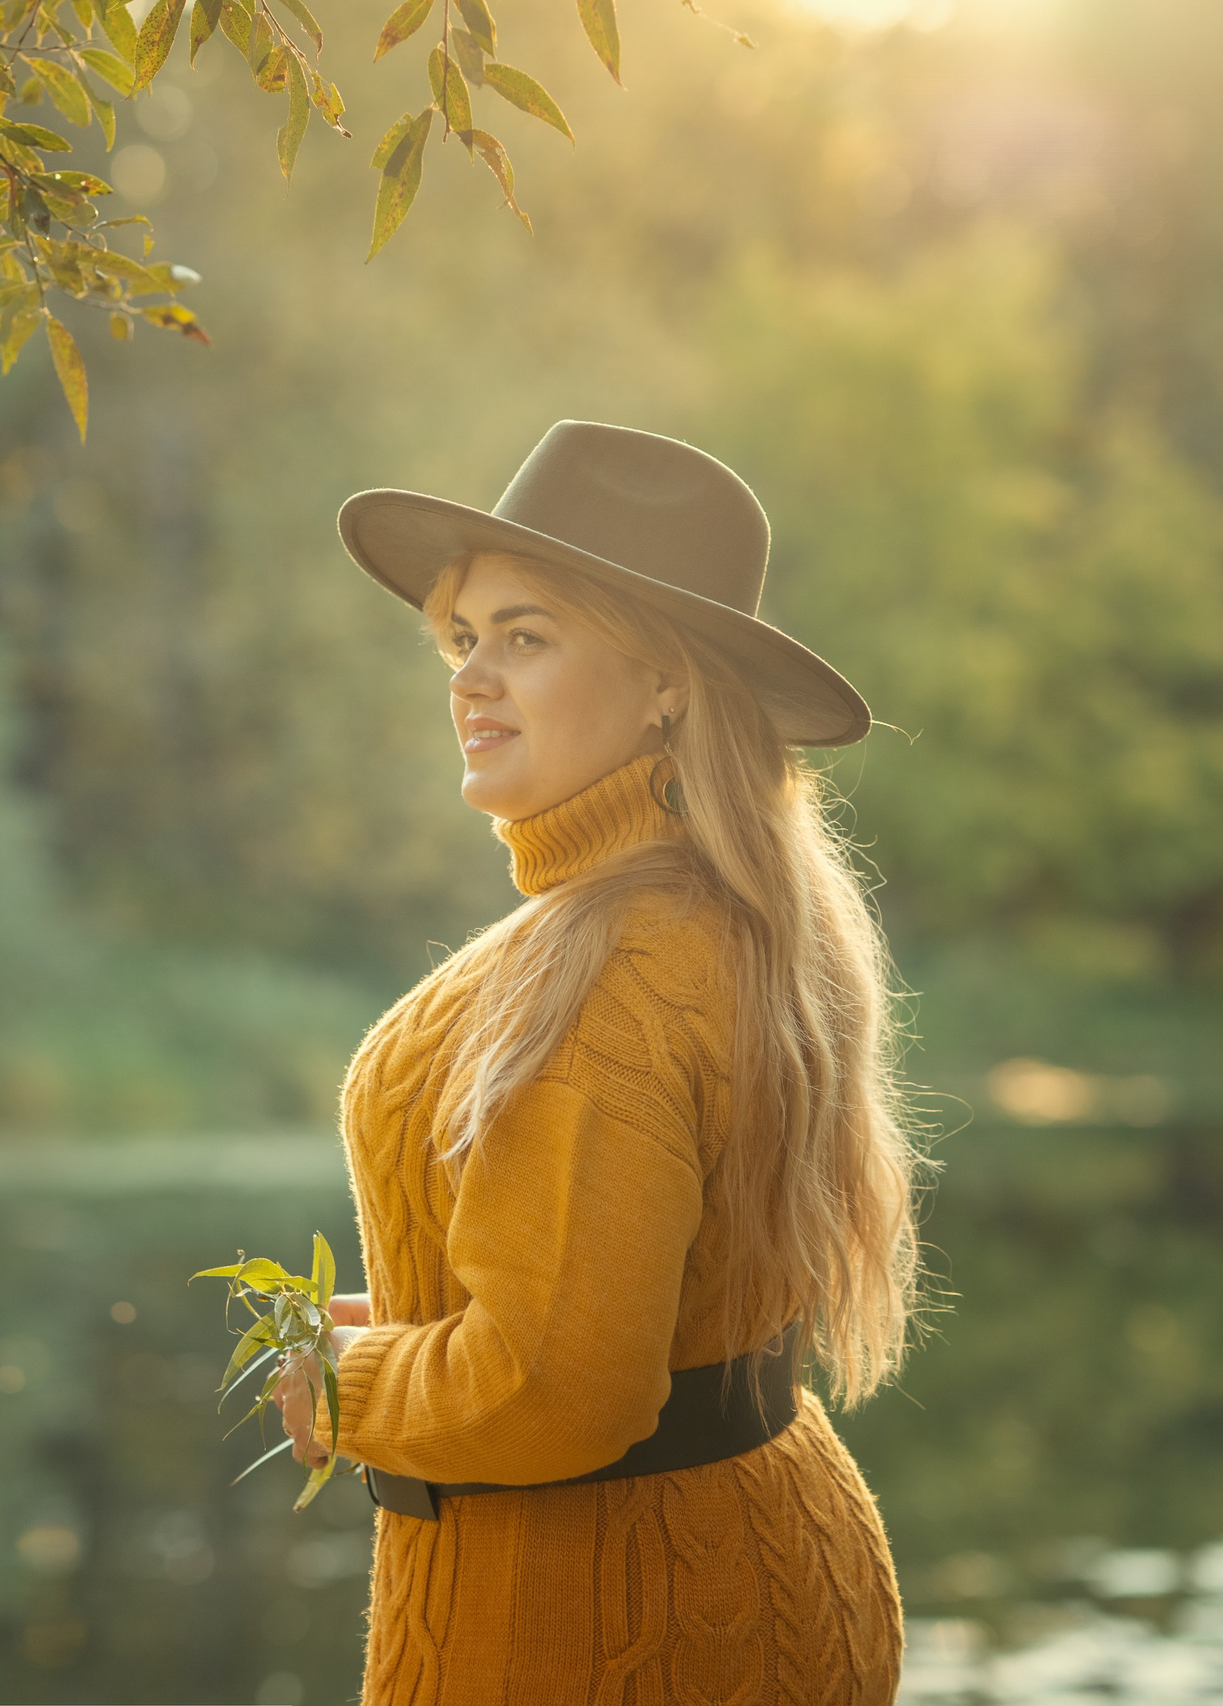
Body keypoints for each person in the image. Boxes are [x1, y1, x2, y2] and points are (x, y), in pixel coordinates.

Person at [271, 422, 921, 1703]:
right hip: (744, 1572)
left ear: (665, 680)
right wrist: (411, 1327)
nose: (469, 677)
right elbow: (624, 1307)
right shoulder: (703, 910)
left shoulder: (611, 968)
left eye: (525, 635)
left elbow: (556, 1385)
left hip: (601, 1628)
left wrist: (343, 1384)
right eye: (463, 638)